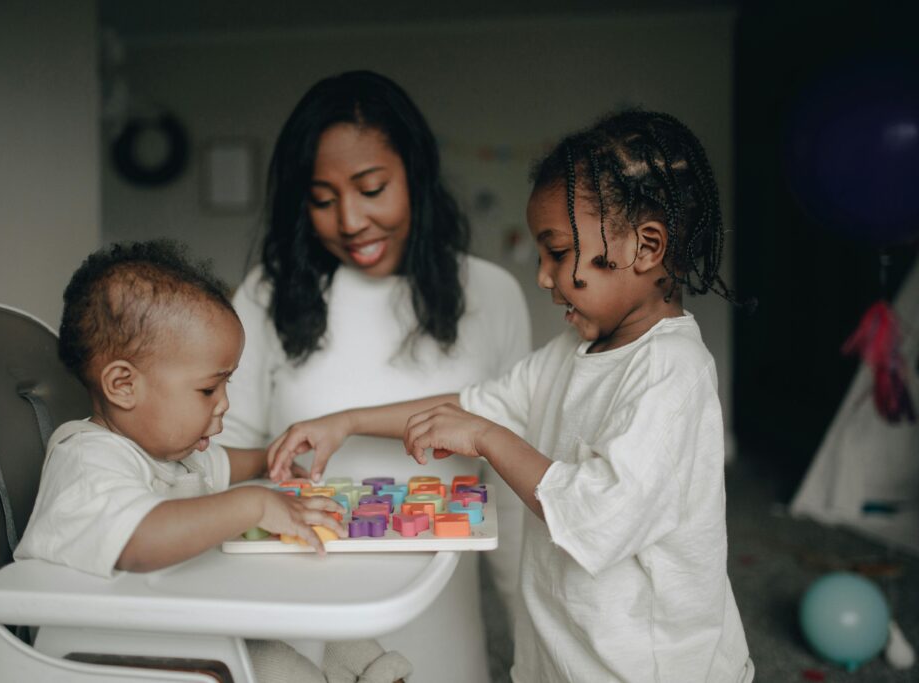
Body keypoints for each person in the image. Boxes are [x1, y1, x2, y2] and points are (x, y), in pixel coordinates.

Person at [267, 110, 756, 682]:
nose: (543, 276)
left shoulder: (673, 372)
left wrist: (487, 440)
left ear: (646, 247)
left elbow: (596, 517)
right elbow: (470, 406)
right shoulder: (569, 356)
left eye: (557, 252)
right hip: (567, 657)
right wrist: (345, 422)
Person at [217, 70, 531, 682]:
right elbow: (225, 460)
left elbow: (513, 485)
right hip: (301, 618)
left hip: (442, 620)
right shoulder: (266, 294)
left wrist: (533, 638)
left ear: (415, 173)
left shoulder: (492, 293)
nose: (351, 221)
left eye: (371, 188)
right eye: (323, 198)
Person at [14, 240, 411, 683]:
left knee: (332, 608)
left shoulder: (175, 455)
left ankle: (374, 672)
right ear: (123, 385)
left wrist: (268, 459)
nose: (224, 405)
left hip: (185, 627)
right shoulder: (86, 462)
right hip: (118, 655)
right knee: (281, 669)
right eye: (208, 389)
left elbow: (226, 465)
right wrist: (254, 504)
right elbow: (140, 538)